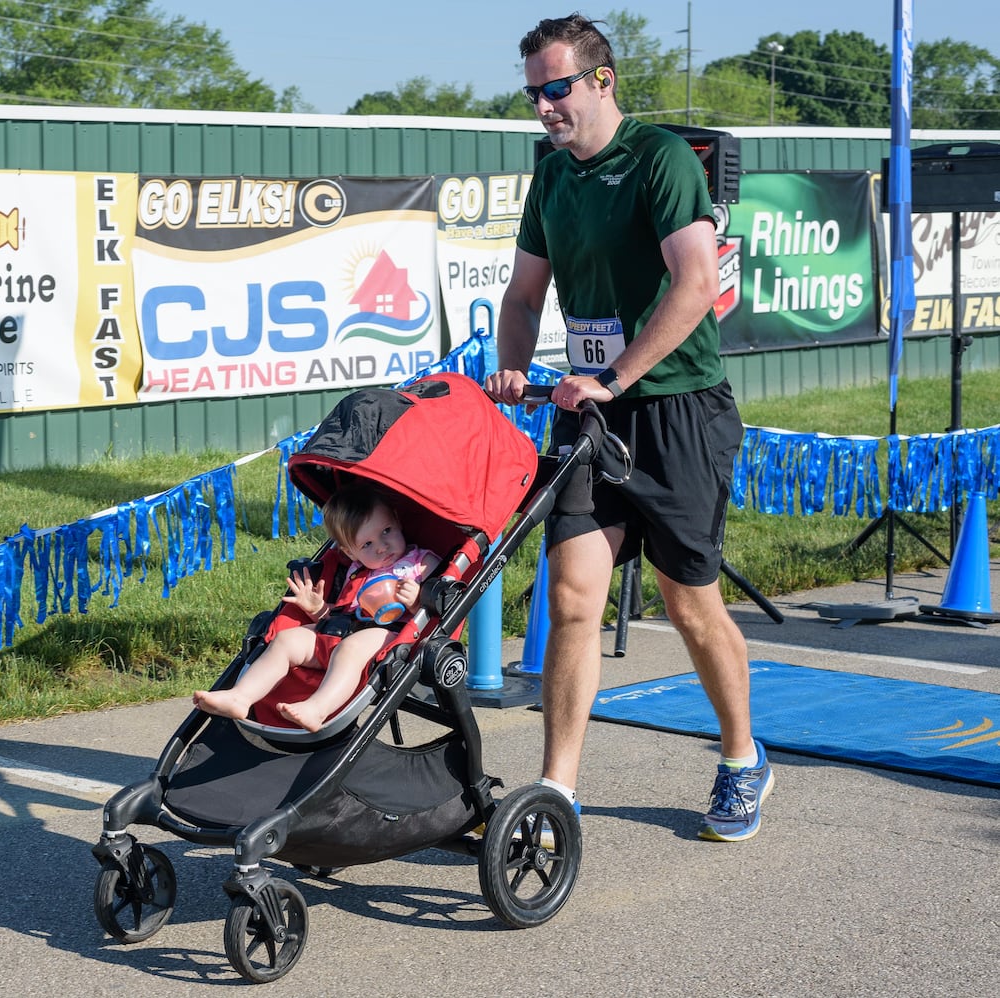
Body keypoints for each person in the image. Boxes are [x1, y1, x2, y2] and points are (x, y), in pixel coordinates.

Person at [483, 13, 773, 841]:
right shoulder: (553, 180)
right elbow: (523, 297)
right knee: (573, 599)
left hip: (678, 409)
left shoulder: (662, 160)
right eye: (533, 91)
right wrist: (511, 366)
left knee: (690, 605)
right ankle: (556, 795)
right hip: (590, 415)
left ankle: (742, 758)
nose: (544, 105)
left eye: (556, 88)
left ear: (601, 81)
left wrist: (611, 377)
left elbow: (693, 284)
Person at [194, 485, 438, 733]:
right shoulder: (356, 571)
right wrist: (319, 609)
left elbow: (437, 604)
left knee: (349, 648)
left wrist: (417, 599)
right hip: (339, 632)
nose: (382, 547)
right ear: (349, 552)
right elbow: (344, 612)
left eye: (386, 531)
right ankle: (241, 697)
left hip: (389, 634)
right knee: (286, 640)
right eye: (367, 544)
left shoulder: (421, 561)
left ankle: (317, 709)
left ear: (397, 520)